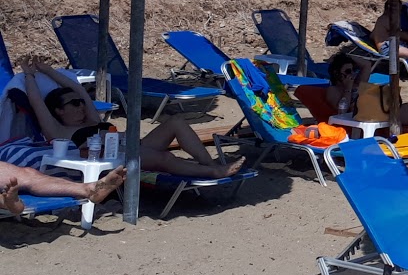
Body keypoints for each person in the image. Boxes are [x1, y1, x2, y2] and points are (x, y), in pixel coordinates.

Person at [21, 60, 243, 180]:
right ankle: (214, 172)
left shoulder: (89, 119)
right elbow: (36, 103)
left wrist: (47, 69)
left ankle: (210, 164)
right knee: (163, 157)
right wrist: (29, 75)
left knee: (176, 121)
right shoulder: (59, 131)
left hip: (133, 148)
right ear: (59, 111)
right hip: (114, 161)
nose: (81, 105)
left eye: (81, 102)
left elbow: (76, 87)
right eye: (74, 104)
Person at [325, 50, 408, 127]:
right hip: (377, 117)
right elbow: (342, 112)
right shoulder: (333, 90)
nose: (352, 74)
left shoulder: (358, 82)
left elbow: (366, 65)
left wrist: (345, 56)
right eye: (347, 71)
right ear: (336, 73)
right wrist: (348, 89)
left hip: (386, 110)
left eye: (353, 70)